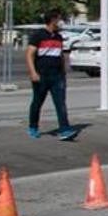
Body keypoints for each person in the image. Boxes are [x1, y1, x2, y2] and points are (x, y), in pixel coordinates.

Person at [26, 9, 76, 140]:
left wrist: (63, 71)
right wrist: (33, 72)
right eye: (59, 19)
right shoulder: (38, 35)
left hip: (57, 75)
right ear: (53, 20)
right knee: (37, 102)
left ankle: (64, 129)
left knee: (60, 103)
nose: (61, 22)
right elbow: (29, 54)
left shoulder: (59, 37)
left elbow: (60, 55)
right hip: (41, 75)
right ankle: (33, 127)